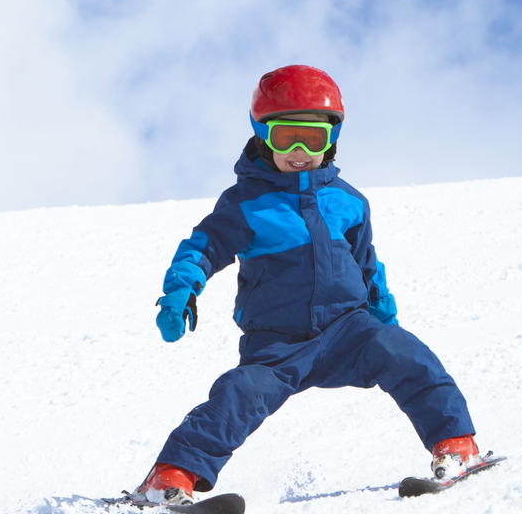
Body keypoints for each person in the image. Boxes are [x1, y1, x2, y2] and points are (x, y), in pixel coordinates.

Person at [129, 65, 482, 506]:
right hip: (278, 343)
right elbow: (204, 245)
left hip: (348, 330)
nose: (299, 150)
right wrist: (182, 289)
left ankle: (457, 447)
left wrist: (386, 321)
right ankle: (169, 478)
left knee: (408, 356)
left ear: (331, 140)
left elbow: (367, 265)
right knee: (239, 394)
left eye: (313, 139)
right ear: (262, 136)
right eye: (285, 137)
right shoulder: (246, 203)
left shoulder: (350, 202)